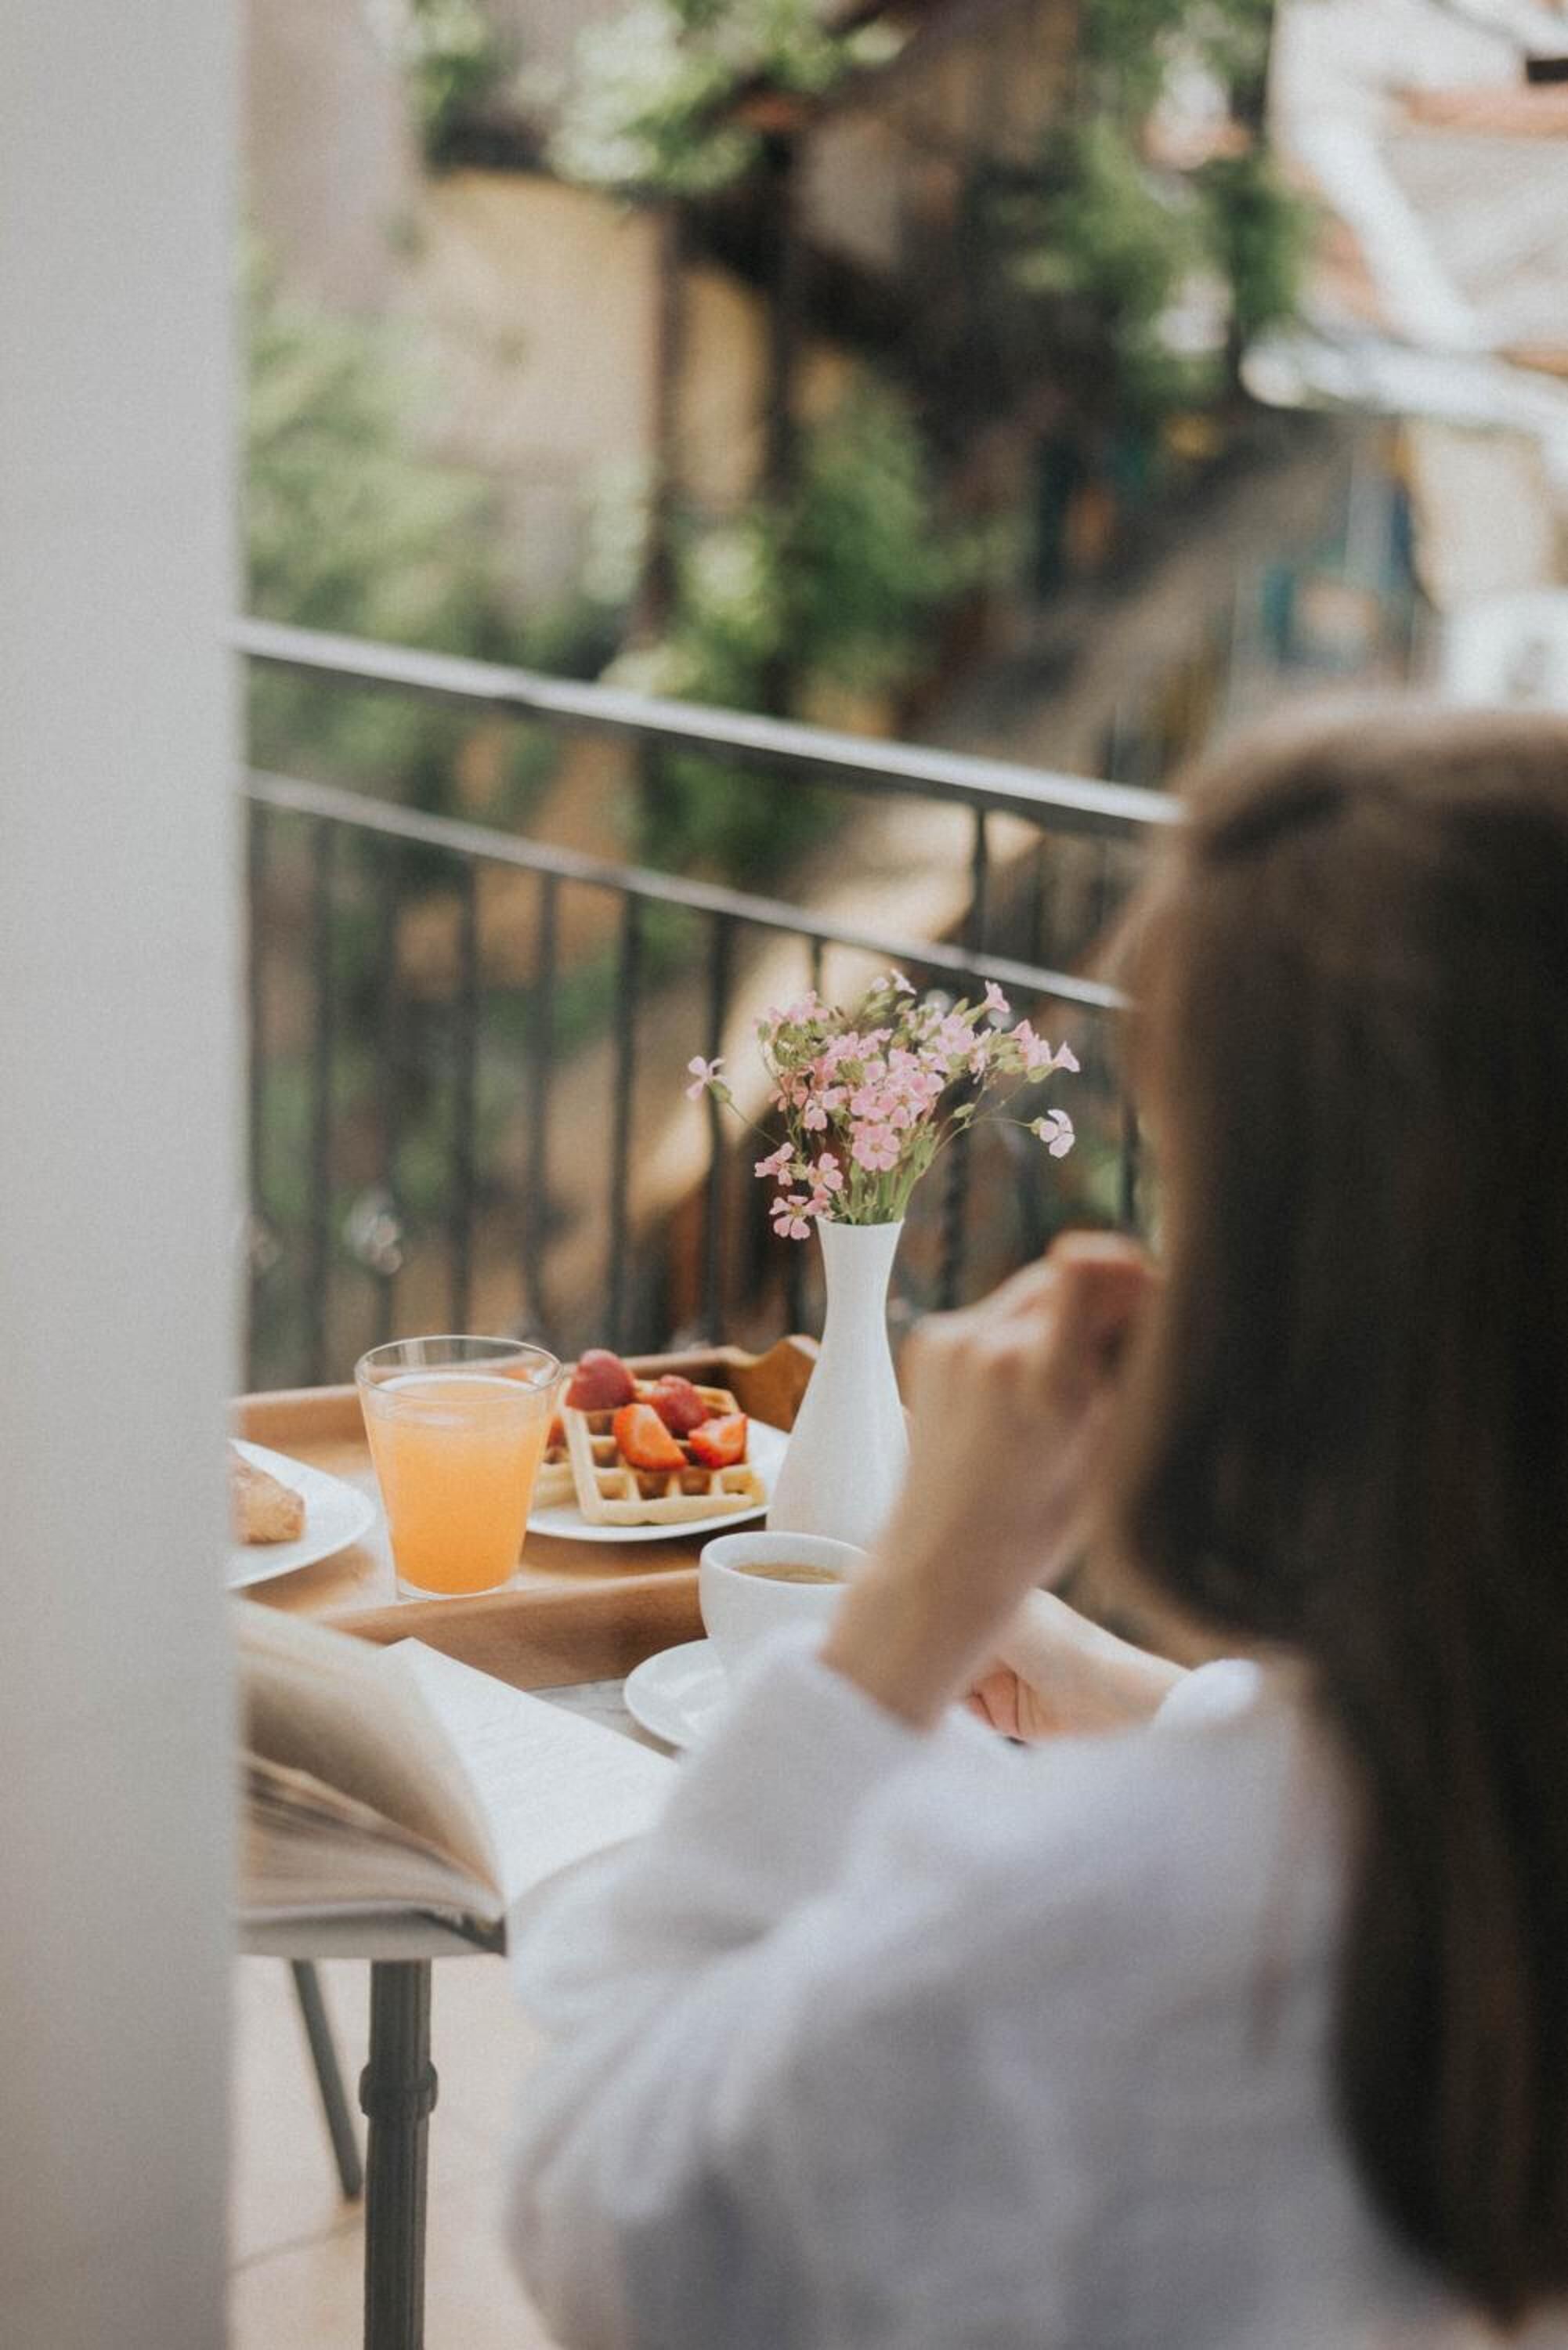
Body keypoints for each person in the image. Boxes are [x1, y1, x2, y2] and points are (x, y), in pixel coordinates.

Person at [506, 707, 1568, 2349]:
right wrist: (1141, 1699)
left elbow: (608, 2215)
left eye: (1181, 1184)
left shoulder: (1080, 1922)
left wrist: (903, 1620)